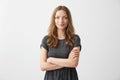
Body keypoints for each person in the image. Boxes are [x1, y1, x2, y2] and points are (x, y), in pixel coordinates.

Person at [40, 5, 82, 80]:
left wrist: (51, 60)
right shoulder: (46, 40)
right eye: (57, 17)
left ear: (69, 20)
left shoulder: (75, 39)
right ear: (54, 19)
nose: (61, 21)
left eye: (65, 17)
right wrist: (67, 62)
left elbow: (73, 63)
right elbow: (43, 66)